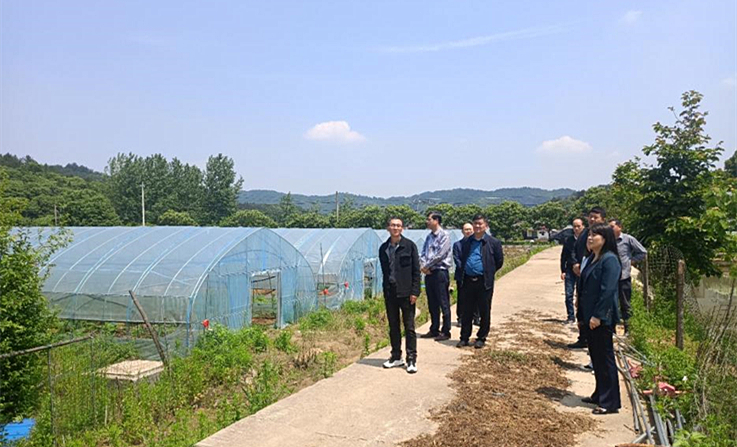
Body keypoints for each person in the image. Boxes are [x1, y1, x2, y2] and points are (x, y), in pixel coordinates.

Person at [577, 223, 622, 414]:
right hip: (589, 316)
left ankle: (610, 402)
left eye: (594, 235)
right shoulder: (593, 258)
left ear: (605, 239)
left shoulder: (610, 260)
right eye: (589, 234)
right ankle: (599, 393)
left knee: (605, 358)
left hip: (601, 318)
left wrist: (598, 315)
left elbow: (607, 291)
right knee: (596, 357)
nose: (590, 237)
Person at [379, 217, 421, 373]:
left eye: (398, 225)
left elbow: (416, 271)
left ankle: (411, 359)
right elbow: (385, 272)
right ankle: (396, 356)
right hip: (391, 292)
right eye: (393, 225)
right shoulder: (384, 248)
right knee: (393, 326)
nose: (395, 228)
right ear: (388, 228)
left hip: (406, 292)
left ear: (402, 228)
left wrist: (415, 291)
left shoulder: (409, 246)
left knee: (409, 327)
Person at [457, 214, 504, 349]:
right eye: (475, 223)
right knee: (467, 310)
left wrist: (488, 271)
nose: (477, 226)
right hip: (467, 281)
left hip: (484, 281)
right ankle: (464, 337)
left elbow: (499, 261)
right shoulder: (466, 242)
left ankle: (481, 337)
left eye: (480, 224)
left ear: (486, 226)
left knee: (484, 310)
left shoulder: (493, 242)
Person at [568, 206, 608, 350]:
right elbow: (574, 250)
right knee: (581, 306)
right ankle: (583, 337)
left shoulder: (606, 234)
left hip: (595, 275)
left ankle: (594, 340)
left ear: (602, 219)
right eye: (590, 216)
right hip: (582, 273)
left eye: (595, 217)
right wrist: (575, 263)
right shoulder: (584, 233)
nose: (592, 219)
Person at [608, 219, 647, 335]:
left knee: (625, 303)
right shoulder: (607, 240)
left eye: (612, 227)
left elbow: (643, 252)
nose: (610, 229)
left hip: (623, 277)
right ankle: (612, 329)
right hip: (611, 277)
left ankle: (628, 329)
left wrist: (631, 261)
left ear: (620, 227)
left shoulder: (628, 239)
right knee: (611, 304)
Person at [420, 211, 453, 341]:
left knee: (443, 302)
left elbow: (440, 254)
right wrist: (423, 266)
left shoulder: (444, 235)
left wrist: (426, 266)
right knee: (432, 302)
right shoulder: (429, 237)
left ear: (436, 221)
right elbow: (423, 253)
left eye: (429, 219)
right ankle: (434, 329)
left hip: (440, 272)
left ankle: (446, 330)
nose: (427, 222)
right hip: (429, 273)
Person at [560, 218, 585, 324]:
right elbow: (563, 256)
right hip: (570, 270)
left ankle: (581, 316)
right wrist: (563, 270)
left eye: (578, 226)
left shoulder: (586, 239)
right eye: (574, 226)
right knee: (568, 294)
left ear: (583, 226)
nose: (576, 228)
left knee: (581, 295)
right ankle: (570, 316)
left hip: (583, 270)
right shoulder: (568, 240)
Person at [453, 223, 475, 326]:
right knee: (461, 297)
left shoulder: (476, 244)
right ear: (462, 231)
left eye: (470, 229)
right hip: (461, 275)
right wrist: (466, 269)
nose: (468, 231)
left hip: (475, 274)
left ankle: (476, 317)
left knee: (476, 297)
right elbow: (457, 259)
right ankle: (461, 318)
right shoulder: (457, 244)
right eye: (466, 229)